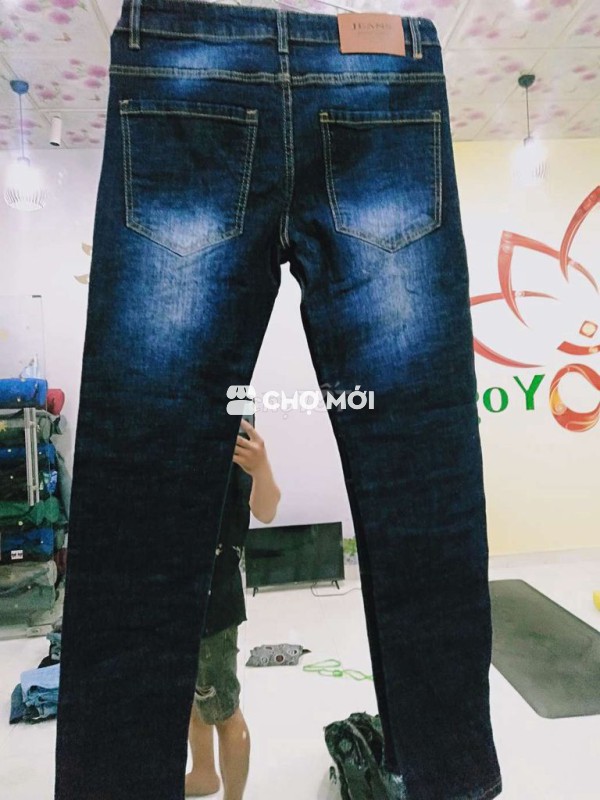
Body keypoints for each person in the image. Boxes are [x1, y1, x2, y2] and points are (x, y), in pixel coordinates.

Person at [185, 414, 281, 799]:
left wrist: (260, 466)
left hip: (214, 600)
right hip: (181, 591)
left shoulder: (232, 444)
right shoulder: (186, 434)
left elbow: (267, 510)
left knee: (222, 706)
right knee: (193, 696)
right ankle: (204, 773)